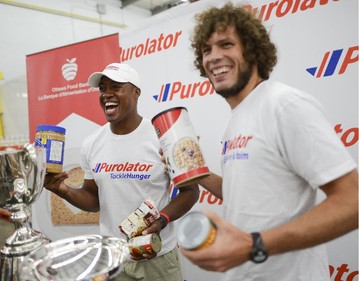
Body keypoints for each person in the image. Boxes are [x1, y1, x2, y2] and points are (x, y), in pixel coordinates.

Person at [179, 3, 359, 281]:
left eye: (225, 44)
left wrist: (254, 246)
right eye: (206, 50)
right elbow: (246, 194)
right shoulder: (238, 118)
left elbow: (353, 201)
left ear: (252, 50)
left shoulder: (283, 105)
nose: (214, 57)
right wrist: (195, 171)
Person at [44, 62, 200, 281]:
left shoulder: (160, 136)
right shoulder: (92, 143)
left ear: (136, 92)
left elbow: (191, 191)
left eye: (116, 87)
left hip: (156, 258)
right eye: (102, 88)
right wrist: (62, 189)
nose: (107, 94)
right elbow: (93, 199)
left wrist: (162, 220)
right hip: (114, 260)